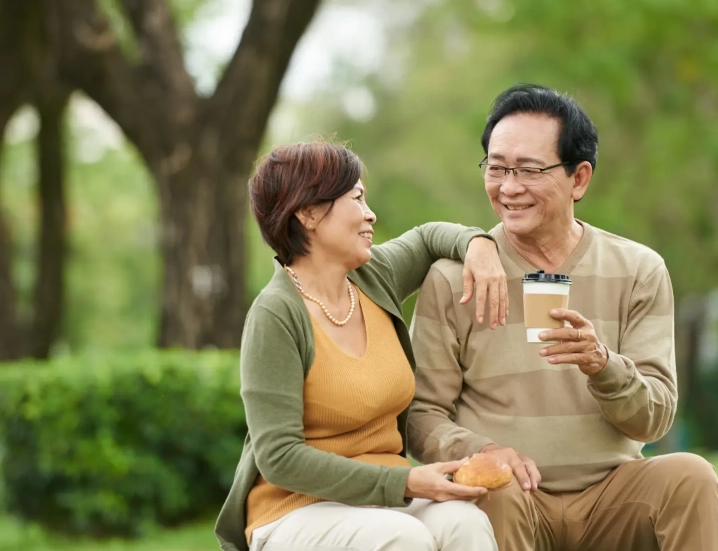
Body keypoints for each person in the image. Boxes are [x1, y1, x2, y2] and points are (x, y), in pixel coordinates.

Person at [407, 84, 718, 551]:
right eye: (496, 168)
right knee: (496, 491)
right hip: (513, 497)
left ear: (579, 178)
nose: (509, 187)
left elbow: (654, 419)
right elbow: (420, 415)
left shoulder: (637, 269)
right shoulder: (454, 277)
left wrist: (603, 366)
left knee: (691, 475)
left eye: (530, 170)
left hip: (613, 495)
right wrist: (485, 453)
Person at [215, 141, 507, 551]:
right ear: (309, 212)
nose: (370, 214)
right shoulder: (275, 315)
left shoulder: (373, 277)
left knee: (464, 522)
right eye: (357, 198)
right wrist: (403, 481)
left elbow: (427, 239)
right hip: (295, 510)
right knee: (402, 538)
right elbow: (278, 457)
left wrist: (480, 244)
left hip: (382, 498)